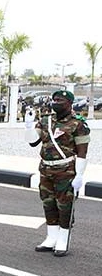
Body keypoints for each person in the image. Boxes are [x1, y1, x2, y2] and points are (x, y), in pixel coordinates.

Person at [24, 90, 89, 256]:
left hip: (66, 170)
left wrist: (79, 175)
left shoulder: (78, 123)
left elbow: (82, 151)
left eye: (59, 100)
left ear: (69, 103)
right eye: (54, 99)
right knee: (48, 203)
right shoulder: (45, 120)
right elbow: (32, 142)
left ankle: (63, 239)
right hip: (46, 169)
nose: (55, 102)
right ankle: (51, 237)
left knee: (65, 206)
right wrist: (29, 125)